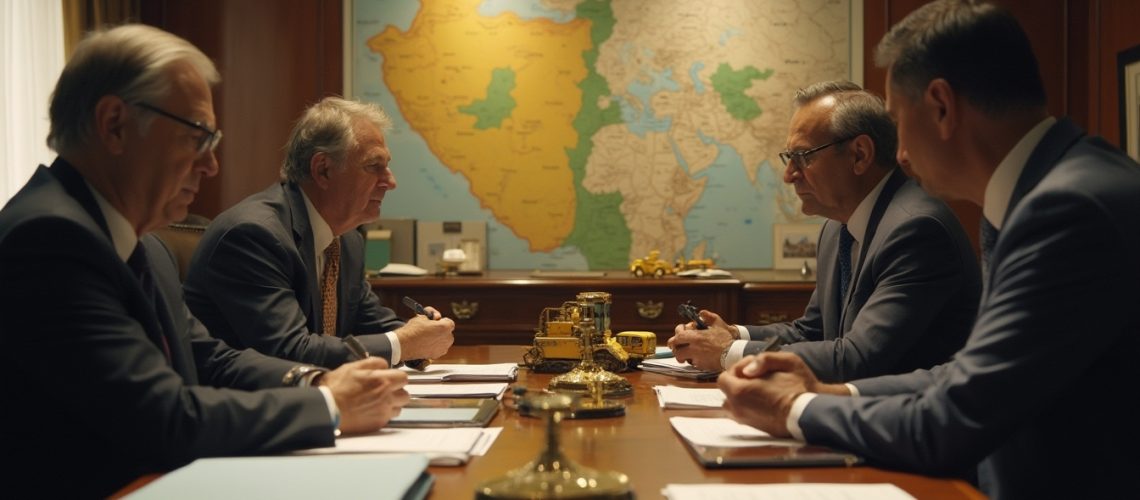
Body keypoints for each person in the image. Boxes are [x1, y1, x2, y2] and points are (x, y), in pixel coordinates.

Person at [718, 1, 1140, 498]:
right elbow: (965, 374)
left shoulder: (1067, 209)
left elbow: (956, 417)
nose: (898, 154)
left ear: (941, 106)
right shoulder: (1053, 187)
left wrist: (794, 409)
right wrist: (826, 391)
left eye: (898, 119)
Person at [0, 25, 410, 497]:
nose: (211, 165)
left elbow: (210, 359)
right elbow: (164, 419)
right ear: (113, 124)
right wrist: (327, 405)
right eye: (197, 135)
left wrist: (316, 379)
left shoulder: (144, 244)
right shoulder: (50, 240)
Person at [670, 81, 979, 382]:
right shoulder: (837, 228)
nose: (789, 175)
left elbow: (859, 358)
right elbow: (812, 332)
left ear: (859, 154)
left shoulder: (917, 231)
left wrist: (728, 352)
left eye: (803, 157)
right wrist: (733, 333)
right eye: (789, 158)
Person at [184, 97, 454, 368]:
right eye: (374, 166)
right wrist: (403, 343)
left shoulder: (347, 239)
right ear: (323, 170)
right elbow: (289, 350)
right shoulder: (253, 235)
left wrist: (420, 333)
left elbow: (367, 321)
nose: (390, 182)